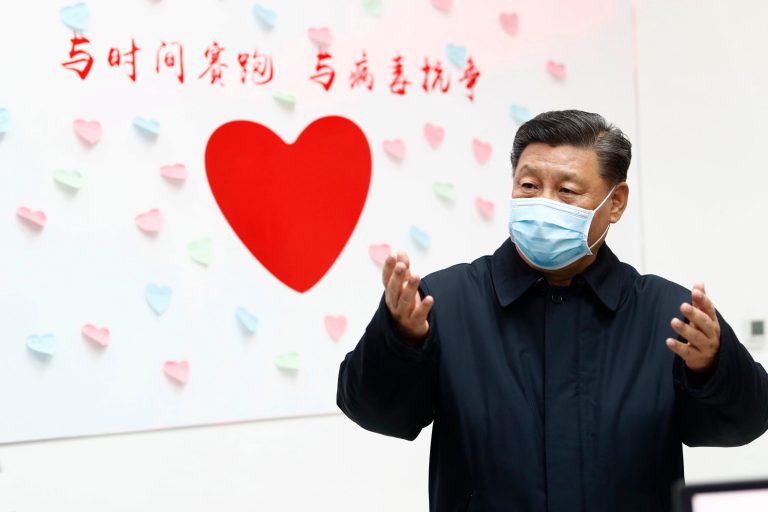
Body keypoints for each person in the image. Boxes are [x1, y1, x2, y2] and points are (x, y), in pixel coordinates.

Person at [336, 110, 768, 511]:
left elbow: (744, 423)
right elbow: (375, 412)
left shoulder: (667, 315)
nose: (543, 204)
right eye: (529, 186)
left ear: (615, 202)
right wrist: (401, 340)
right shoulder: (446, 302)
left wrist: (711, 367)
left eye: (566, 191)